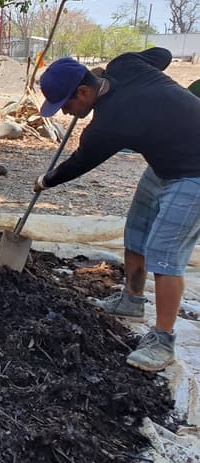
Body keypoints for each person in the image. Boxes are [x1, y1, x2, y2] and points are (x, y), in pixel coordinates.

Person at [34, 48, 200, 372]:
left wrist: (46, 180)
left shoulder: (109, 124)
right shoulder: (125, 64)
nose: (66, 114)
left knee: (164, 252)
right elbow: (163, 55)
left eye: (67, 105)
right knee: (136, 231)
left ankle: (163, 341)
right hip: (164, 164)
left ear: (84, 91)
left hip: (194, 172)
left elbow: (79, 163)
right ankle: (132, 300)